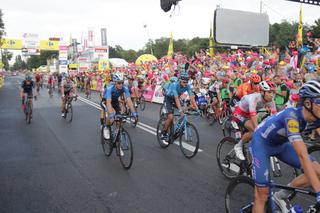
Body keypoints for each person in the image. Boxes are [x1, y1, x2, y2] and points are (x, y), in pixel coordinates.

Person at [250, 79, 320, 213]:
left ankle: (280, 196)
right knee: (262, 194)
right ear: (307, 103)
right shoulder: (292, 116)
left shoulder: (316, 117)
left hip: (281, 145)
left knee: (317, 170)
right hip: (262, 144)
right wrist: (318, 193)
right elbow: (302, 155)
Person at [233, 81, 277, 160]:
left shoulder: (271, 101)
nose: (272, 95)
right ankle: (238, 146)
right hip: (240, 113)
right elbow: (253, 115)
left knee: (263, 127)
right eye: (269, 92)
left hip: (249, 114)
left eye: (273, 92)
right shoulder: (255, 98)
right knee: (255, 130)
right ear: (262, 92)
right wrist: (257, 129)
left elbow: (275, 117)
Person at [160, 71, 199, 143]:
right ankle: (164, 133)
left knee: (184, 109)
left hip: (176, 97)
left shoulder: (187, 86)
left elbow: (192, 98)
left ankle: (177, 127)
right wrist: (180, 111)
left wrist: (197, 109)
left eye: (186, 82)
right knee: (171, 116)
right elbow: (176, 99)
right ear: (180, 81)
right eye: (184, 82)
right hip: (169, 98)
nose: (185, 84)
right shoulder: (174, 85)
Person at [103, 73, 137, 139]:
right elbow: (108, 103)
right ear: (115, 83)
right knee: (112, 113)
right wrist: (111, 115)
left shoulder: (125, 88)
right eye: (119, 83)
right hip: (106, 101)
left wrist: (134, 113)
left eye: (122, 82)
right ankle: (106, 127)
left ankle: (116, 136)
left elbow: (129, 101)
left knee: (120, 122)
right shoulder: (110, 88)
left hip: (115, 101)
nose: (121, 84)